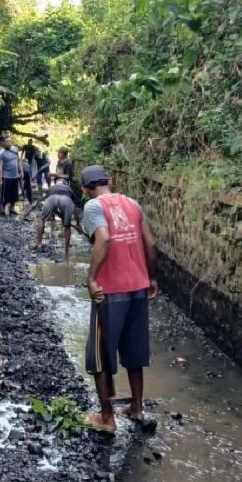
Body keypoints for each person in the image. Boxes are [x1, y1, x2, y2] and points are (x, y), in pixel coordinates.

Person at [80, 165, 158, 434]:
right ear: (110, 181)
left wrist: (91, 279)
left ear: (85, 189)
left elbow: (103, 238)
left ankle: (106, 418)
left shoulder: (93, 207)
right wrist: (153, 278)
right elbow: (150, 244)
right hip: (138, 287)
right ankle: (136, 407)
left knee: (100, 355)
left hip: (110, 291)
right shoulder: (132, 203)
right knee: (134, 352)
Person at [34, 182, 82, 253]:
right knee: (67, 226)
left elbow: (53, 206)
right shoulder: (69, 189)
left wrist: (57, 214)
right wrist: (78, 224)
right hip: (66, 200)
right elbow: (75, 210)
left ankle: (39, 243)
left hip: (52, 198)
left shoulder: (52, 187)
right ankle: (66, 249)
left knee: (42, 220)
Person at [0, 135, 22, 216]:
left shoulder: (15, 150)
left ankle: (12, 209)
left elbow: (18, 160)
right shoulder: (2, 153)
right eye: (6, 141)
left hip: (15, 176)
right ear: (4, 143)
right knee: (5, 195)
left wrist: (20, 171)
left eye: (9, 141)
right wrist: (0, 179)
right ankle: (3, 210)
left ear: (11, 142)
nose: (8, 143)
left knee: (14, 194)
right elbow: (0, 166)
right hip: (6, 177)